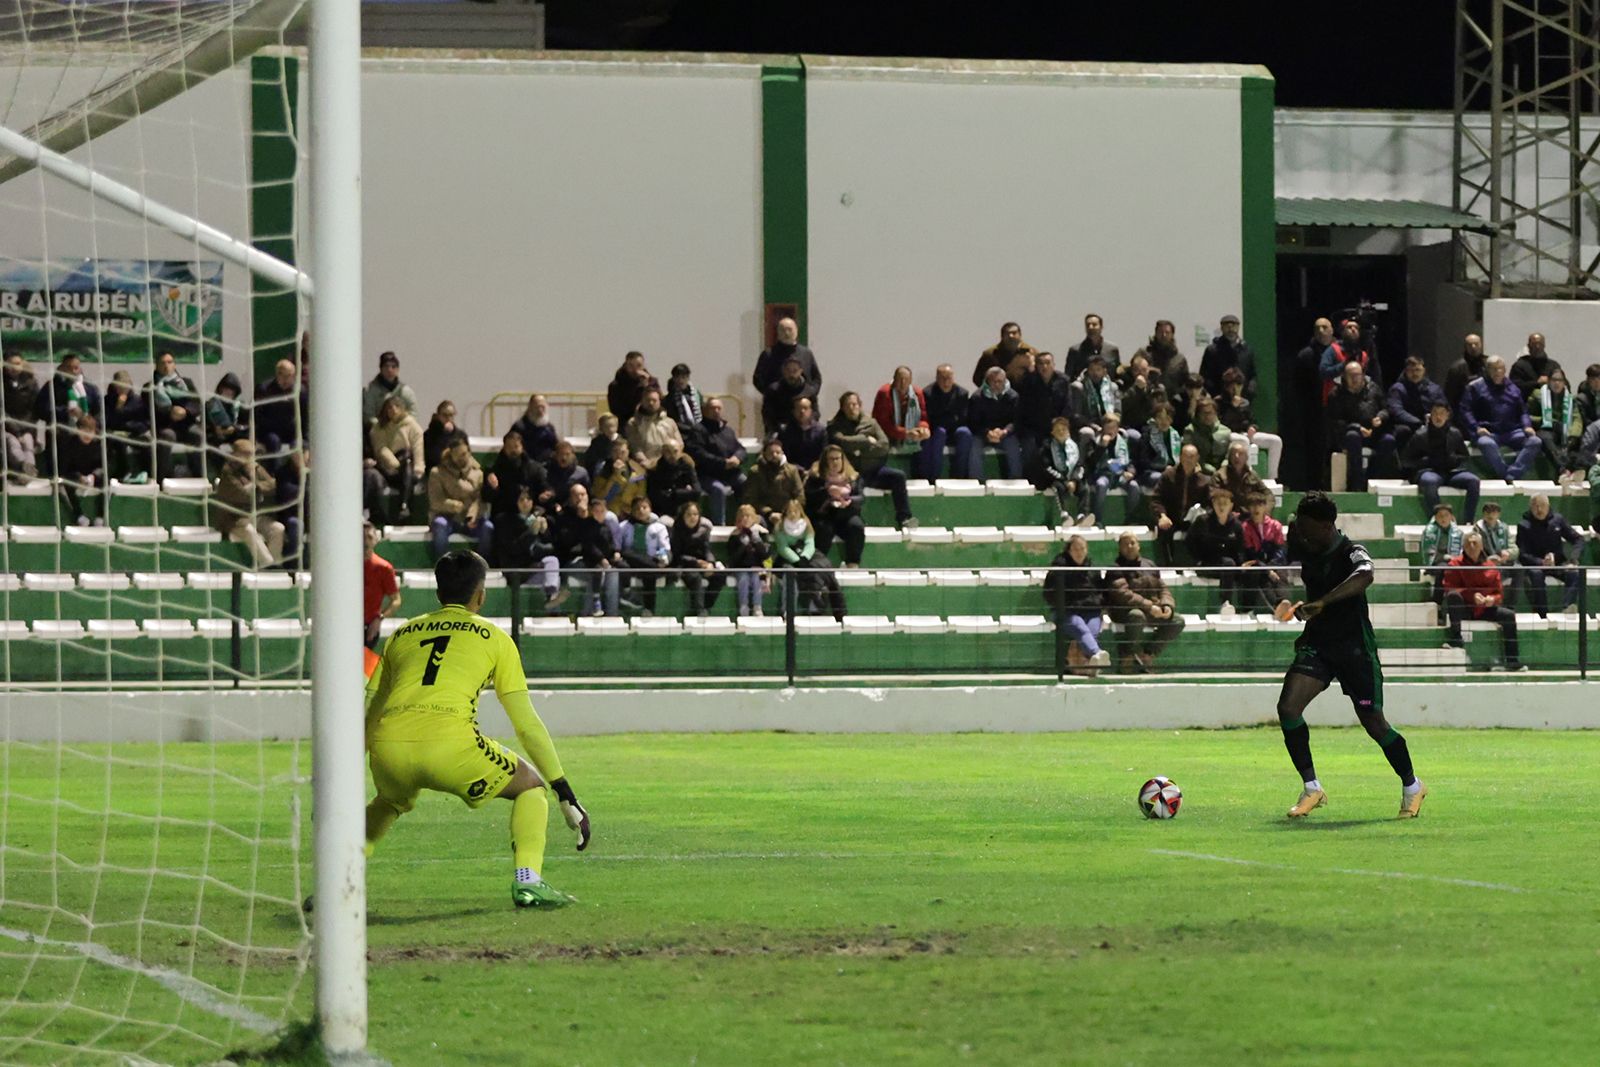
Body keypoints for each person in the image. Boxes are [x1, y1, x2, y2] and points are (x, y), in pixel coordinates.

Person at [362, 550, 589, 909]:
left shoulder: (402, 633)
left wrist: (336, 776)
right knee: (531, 787)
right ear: (480, 595)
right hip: (450, 746)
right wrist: (564, 789)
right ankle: (528, 882)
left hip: (388, 745)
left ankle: (335, 882)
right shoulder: (495, 638)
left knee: (388, 801)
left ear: (439, 594)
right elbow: (526, 724)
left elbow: (369, 708)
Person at [1274, 492, 1426, 819]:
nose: (1301, 532)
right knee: (1288, 707)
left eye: (1307, 526)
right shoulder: (1303, 542)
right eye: (1298, 525)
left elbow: (1365, 575)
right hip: (1319, 642)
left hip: (1354, 647)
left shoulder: (1350, 551)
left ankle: (1413, 786)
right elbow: (1281, 567)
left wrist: (1322, 603)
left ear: (1327, 526)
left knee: (1374, 724)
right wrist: (1286, 598)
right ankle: (1312, 788)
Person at [828, 391, 915, 529]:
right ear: (842, 408)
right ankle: (856, 521)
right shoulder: (835, 426)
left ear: (860, 405)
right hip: (853, 473)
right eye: (848, 405)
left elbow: (884, 446)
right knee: (854, 489)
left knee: (898, 476)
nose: (852, 408)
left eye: (854, 404)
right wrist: (866, 440)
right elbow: (841, 442)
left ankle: (904, 518)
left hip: (875, 471)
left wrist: (860, 449)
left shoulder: (871, 423)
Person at [1440, 530, 1524, 671]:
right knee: (1453, 597)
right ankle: (1456, 639)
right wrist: (1471, 596)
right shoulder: (1454, 564)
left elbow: (1499, 593)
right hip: (1464, 608)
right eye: (1468, 543)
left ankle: (1513, 661)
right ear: (1463, 546)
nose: (1472, 546)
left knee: (1508, 615)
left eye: (1475, 543)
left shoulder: (1491, 566)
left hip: (1484, 608)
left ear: (1481, 546)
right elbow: (1450, 587)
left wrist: (1493, 599)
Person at [1104, 530, 1184, 673]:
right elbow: (1123, 594)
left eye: (1132, 543)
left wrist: (1167, 606)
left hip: (1152, 609)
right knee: (1137, 615)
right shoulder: (1115, 568)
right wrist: (1149, 606)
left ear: (1138, 545)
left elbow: (1163, 587)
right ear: (1119, 548)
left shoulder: (1150, 564)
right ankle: (1128, 656)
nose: (1129, 546)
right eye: (1125, 544)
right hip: (1125, 611)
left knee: (1177, 621)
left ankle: (1147, 654)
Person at [1459, 355, 1542, 481]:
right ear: (1487, 370)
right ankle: (1505, 475)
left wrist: (1527, 426)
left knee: (1535, 441)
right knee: (1486, 443)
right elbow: (1465, 411)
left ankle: (1513, 473)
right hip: (1488, 432)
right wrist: (1476, 428)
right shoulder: (1475, 387)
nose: (1498, 372)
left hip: (1511, 431)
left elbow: (1523, 411)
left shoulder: (1512, 388)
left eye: (1501, 369)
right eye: (1494, 369)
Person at [212, 439, 289, 568]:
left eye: (252, 454)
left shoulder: (256, 468)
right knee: (249, 531)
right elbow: (244, 495)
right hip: (234, 519)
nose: (250, 458)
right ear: (235, 454)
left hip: (255, 516)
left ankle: (273, 567)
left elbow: (273, 485)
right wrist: (258, 488)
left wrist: (255, 484)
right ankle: (268, 564)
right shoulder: (228, 472)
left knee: (278, 529)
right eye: (246, 454)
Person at [1403, 399, 1479, 523]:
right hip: (1430, 471)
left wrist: (1455, 460)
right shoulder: (1420, 435)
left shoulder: (1455, 433)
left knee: (1473, 481)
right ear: (1430, 415)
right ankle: (1439, 521)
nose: (1438, 417)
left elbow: (1465, 458)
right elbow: (1406, 461)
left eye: (1442, 413)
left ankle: (1468, 521)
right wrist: (1425, 462)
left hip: (1451, 472)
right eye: (1435, 413)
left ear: (1447, 415)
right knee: (1429, 481)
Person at [1043, 535, 1111, 673]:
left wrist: (1099, 605)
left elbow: (1101, 592)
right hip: (1067, 612)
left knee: (1091, 632)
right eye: (1075, 549)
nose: (1079, 552)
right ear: (1069, 551)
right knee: (1080, 628)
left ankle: (1090, 666)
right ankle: (1096, 653)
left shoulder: (1092, 570)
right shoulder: (1059, 569)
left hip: (1091, 612)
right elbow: (1049, 593)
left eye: (1082, 548)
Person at [770, 497, 845, 620]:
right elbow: (783, 548)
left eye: (795, 511)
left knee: (816, 573)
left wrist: (805, 557)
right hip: (787, 560)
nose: (793, 514)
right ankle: (788, 611)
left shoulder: (806, 524)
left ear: (800, 512)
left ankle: (815, 608)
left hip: (807, 556)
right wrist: (797, 561)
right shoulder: (780, 527)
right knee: (791, 578)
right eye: (790, 512)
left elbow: (810, 542)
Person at [1325, 360, 1395, 492]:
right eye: (1350, 375)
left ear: (1363, 375)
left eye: (1357, 375)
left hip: (1373, 431)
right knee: (1352, 437)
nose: (1354, 378)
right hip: (1350, 433)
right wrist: (1356, 427)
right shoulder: (1336, 394)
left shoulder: (1374, 388)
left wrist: (1380, 417)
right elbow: (1335, 421)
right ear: (1344, 376)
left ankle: (1371, 478)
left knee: (1389, 441)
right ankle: (1357, 482)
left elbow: (1386, 409)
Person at [426, 431, 492, 560]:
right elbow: (436, 501)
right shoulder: (437, 472)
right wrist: (456, 506)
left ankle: (482, 565)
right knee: (440, 525)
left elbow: (479, 499)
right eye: (457, 455)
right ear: (451, 455)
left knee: (488, 527)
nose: (462, 458)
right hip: (447, 516)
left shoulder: (478, 473)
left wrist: (472, 515)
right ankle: (441, 564)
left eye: (464, 454)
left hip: (470, 519)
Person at [484, 429, 550, 556]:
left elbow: (546, 488)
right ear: (504, 448)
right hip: (505, 515)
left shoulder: (534, 468)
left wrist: (545, 496)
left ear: (522, 447)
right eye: (509, 447)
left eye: (516, 446)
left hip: (531, 513)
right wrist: (493, 487)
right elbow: (487, 496)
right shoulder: (495, 469)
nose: (513, 450)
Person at [1516, 494, 1583, 617]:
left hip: (1557, 563)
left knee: (1574, 572)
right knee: (1536, 575)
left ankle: (1567, 607)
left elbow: (1578, 539)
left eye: (1542, 506)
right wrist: (1541, 562)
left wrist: (1573, 559)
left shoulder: (1558, 520)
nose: (1539, 510)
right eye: (1535, 506)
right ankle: (1542, 614)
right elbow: (1523, 554)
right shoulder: (1523, 525)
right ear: (1530, 508)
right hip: (1536, 565)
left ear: (1548, 506)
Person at [754, 318, 821, 433]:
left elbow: (816, 378)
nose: (787, 333)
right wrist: (773, 393)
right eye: (783, 330)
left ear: (796, 331)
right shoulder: (768, 354)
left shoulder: (806, 353)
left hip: (803, 413)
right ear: (778, 333)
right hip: (778, 411)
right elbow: (758, 379)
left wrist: (809, 392)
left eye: (790, 329)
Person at [1292, 318, 1338, 489]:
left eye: (1325, 327)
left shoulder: (1341, 352)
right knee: (1314, 453)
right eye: (1317, 327)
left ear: (1332, 330)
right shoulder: (1305, 355)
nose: (1321, 330)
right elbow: (1298, 386)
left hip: (1339, 411)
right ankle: (1314, 488)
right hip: (1314, 413)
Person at [1215, 366, 1282, 481]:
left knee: (1275, 441)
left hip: (1245, 433)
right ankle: (1246, 477)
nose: (1236, 389)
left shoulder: (1245, 402)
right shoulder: (1219, 402)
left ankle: (1272, 478)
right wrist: (1233, 407)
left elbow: (1252, 421)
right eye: (1233, 386)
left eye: (1239, 385)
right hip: (1228, 434)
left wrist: (1252, 428)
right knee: (1243, 441)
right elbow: (1222, 423)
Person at [366, 395, 426, 522]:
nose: (393, 410)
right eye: (389, 408)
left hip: (407, 466)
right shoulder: (379, 427)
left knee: (408, 466)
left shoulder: (412, 426)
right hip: (387, 468)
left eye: (396, 407)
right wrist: (395, 464)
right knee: (403, 468)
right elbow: (381, 448)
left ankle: (403, 505)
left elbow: (418, 448)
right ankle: (403, 506)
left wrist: (419, 469)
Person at [686, 396, 745, 525]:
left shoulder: (727, 430)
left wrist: (737, 458)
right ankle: (720, 525)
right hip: (707, 474)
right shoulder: (698, 431)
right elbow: (699, 454)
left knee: (744, 482)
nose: (716, 411)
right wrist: (723, 463)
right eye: (713, 408)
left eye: (719, 408)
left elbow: (740, 448)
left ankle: (744, 519)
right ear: (705, 410)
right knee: (718, 489)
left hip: (729, 473)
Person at [804, 444, 865, 567]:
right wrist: (828, 493)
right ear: (825, 461)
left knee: (856, 526)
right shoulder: (816, 477)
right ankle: (819, 563)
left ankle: (853, 562)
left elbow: (861, 498)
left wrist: (849, 501)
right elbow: (810, 497)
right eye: (831, 459)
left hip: (846, 514)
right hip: (824, 515)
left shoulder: (853, 477)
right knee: (824, 530)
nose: (835, 462)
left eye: (838, 458)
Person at [1186, 486, 1246, 610]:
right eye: (1218, 503)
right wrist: (1197, 560)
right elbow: (1189, 542)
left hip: (1229, 568)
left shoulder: (1236, 525)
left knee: (1249, 571)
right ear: (1213, 504)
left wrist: (1241, 566)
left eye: (1225, 503)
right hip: (1207, 565)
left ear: (1231, 505)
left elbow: (1240, 549)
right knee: (1228, 563)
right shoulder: (1202, 521)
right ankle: (1226, 602)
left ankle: (1247, 609)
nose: (1221, 507)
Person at [873, 365, 936, 480]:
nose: (902, 383)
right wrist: (905, 433)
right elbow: (883, 424)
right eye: (899, 379)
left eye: (906, 380)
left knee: (927, 441)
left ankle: (922, 479)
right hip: (888, 433)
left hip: (910, 432)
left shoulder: (917, 393)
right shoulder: (885, 393)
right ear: (893, 380)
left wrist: (923, 429)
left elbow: (923, 417)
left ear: (911, 381)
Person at [1150, 443, 1210, 563]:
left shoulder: (1204, 481)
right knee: (1164, 529)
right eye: (1186, 456)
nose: (1188, 459)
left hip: (1193, 521)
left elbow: (1209, 504)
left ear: (1197, 458)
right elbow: (1156, 499)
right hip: (1171, 517)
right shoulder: (1168, 476)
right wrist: (1162, 515)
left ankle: (1200, 563)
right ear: (1180, 457)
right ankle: (1168, 565)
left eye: (1192, 456)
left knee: (1204, 528)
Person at [922, 363, 981, 481]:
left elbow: (963, 418)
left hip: (955, 430)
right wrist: (951, 418)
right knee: (940, 432)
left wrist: (946, 418)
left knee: (965, 433)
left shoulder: (962, 393)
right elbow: (931, 418)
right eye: (942, 378)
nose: (945, 381)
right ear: (936, 378)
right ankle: (933, 478)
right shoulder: (928, 393)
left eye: (948, 378)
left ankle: (959, 476)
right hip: (937, 430)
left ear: (953, 378)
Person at [147, 351, 202, 477]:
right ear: (156, 366)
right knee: (167, 436)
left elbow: (197, 404)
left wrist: (185, 411)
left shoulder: (186, 383)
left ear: (175, 365)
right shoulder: (150, 387)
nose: (166, 366)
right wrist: (170, 411)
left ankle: (198, 475)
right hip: (165, 425)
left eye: (169, 362)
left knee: (197, 434)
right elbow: (149, 409)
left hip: (186, 424)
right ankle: (164, 477)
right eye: (162, 363)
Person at [1083, 411, 1140, 527]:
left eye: (1114, 427)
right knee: (1101, 485)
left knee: (1134, 486)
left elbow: (1129, 461)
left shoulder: (1123, 441)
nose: (1111, 431)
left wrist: (1130, 471)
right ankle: (1097, 520)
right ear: (1103, 428)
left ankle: (1130, 519)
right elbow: (1091, 463)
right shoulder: (1096, 440)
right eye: (1108, 427)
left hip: (1120, 475)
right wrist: (1101, 447)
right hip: (1103, 474)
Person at [617, 496, 670, 615]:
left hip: (650, 562)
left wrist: (663, 559)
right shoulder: (623, 526)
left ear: (650, 509)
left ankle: (649, 610)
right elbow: (618, 547)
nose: (641, 510)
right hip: (631, 563)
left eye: (644, 507)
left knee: (649, 573)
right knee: (626, 553)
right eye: (637, 508)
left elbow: (664, 548)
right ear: (631, 511)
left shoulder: (659, 527)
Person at [671, 501, 725, 616]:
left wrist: (710, 563)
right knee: (696, 579)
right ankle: (699, 611)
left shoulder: (703, 530)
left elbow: (706, 550)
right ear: (683, 516)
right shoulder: (677, 531)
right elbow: (677, 554)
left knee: (720, 577)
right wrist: (697, 562)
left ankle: (706, 606)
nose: (692, 517)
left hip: (702, 564)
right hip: (685, 565)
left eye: (695, 514)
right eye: (689, 514)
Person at [968, 366, 1024, 479]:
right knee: (973, 446)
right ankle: (977, 481)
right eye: (994, 381)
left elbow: (1016, 420)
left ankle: (1016, 480)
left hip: (1005, 434)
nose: (997, 385)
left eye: (1000, 381)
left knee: (1013, 445)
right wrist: (987, 432)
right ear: (987, 381)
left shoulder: (1013, 397)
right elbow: (973, 422)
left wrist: (1005, 431)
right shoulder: (977, 397)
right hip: (982, 434)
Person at [1238, 492, 1290, 612]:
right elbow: (1251, 553)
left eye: (1259, 505)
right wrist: (1267, 570)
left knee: (1280, 574)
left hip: (1273, 562)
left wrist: (1271, 567)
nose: (1256, 508)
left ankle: (1284, 603)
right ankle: (1277, 607)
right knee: (1262, 576)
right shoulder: (1245, 527)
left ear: (1265, 507)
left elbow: (1280, 550)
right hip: (1256, 563)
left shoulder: (1275, 526)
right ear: (1248, 508)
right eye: (1253, 505)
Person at [1031, 416, 1087, 525]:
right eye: (1058, 430)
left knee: (1084, 488)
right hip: (1055, 479)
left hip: (1072, 479)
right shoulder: (1047, 447)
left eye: (1064, 429)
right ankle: (1064, 515)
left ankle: (1082, 515)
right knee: (1059, 487)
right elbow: (1046, 468)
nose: (1061, 432)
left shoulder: (1074, 446)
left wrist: (1074, 480)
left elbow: (1080, 465)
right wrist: (1064, 480)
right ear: (1052, 432)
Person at [51, 413, 103, 525]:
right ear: (78, 430)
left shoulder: (99, 445)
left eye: (91, 431)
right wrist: (79, 477)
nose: (87, 435)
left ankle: (100, 517)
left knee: (108, 483)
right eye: (84, 430)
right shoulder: (69, 444)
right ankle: (79, 515)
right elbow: (64, 468)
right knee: (64, 483)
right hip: (75, 476)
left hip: (92, 477)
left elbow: (104, 466)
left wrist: (93, 476)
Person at [1528, 367, 1582, 476]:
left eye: (1560, 380)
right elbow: (1527, 416)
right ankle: (1563, 470)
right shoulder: (1538, 395)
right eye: (1554, 380)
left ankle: (1577, 471)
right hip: (1545, 429)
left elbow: (1577, 419)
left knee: (1576, 443)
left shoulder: (1570, 398)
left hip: (1564, 430)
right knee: (1546, 439)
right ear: (1548, 381)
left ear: (1564, 382)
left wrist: (1573, 434)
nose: (1557, 383)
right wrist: (1544, 420)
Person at [743, 436, 805, 529]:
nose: (774, 455)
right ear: (764, 454)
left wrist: (789, 512)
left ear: (782, 453)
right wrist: (769, 513)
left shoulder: (792, 470)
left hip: (789, 514)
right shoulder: (755, 472)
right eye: (771, 453)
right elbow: (751, 499)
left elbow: (800, 496)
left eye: (777, 452)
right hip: (764, 516)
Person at [1385, 356, 1445, 453]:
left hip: (1431, 424)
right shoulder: (1397, 389)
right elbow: (1396, 411)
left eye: (1418, 370)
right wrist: (1418, 423)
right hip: (1407, 426)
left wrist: (1434, 418)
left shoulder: (1434, 389)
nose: (1415, 373)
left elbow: (1445, 408)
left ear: (1424, 370)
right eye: (1411, 370)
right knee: (1403, 431)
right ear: (1406, 371)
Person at [102, 370, 152, 481]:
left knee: (146, 443)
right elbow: (107, 421)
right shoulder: (108, 400)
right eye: (119, 386)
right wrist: (118, 407)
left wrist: (130, 426)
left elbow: (145, 422)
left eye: (125, 386)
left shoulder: (138, 401)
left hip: (133, 432)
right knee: (118, 442)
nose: (122, 389)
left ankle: (149, 472)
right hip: (115, 434)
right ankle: (123, 471)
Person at [1066, 354, 1121, 451]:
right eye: (1092, 370)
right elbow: (1076, 416)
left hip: (1109, 425)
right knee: (1087, 433)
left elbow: (1117, 411)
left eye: (1098, 370)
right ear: (1087, 370)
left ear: (1104, 371)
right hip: (1088, 425)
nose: (1095, 373)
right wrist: (1095, 427)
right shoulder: (1078, 387)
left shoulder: (1112, 387)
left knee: (1126, 434)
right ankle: (1081, 464)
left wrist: (1111, 426)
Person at [249, 357, 300, 463]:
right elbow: (256, 416)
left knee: (299, 444)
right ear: (277, 374)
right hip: (270, 432)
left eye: (289, 376)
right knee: (274, 441)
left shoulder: (300, 392)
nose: (286, 379)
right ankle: (274, 474)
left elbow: (305, 416)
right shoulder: (264, 390)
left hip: (291, 432)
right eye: (283, 375)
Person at [1016, 350, 1068, 453]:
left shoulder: (1063, 381)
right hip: (1034, 428)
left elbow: (1068, 406)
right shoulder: (1028, 381)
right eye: (1041, 363)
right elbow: (1023, 408)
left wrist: (1060, 423)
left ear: (1053, 365)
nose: (1044, 367)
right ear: (1036, 366)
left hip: (1057, 426)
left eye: (1048, 363)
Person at [1420, 503, 1464, 621]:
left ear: (1451, 517)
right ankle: (1437, 604)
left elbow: (1462, 550)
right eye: (1440, 516)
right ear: (1435, 517)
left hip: (1455, 562)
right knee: (1443, 569)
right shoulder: (1429, 531)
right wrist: (1445, 557)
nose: (1443, 518)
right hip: (1437, 562)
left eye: (1446, 515)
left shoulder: (1458, 532)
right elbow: (1429, 551)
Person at [362, 521, 402, 650]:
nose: (365, 542)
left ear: (376, 540)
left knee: (364, 668)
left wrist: (379, 619)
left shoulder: (383, 568)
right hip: (344, 626)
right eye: (361, 537)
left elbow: (396, 600)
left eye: (369, 537)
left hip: (369, 627)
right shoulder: (343, 565)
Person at [761, 355, 821, 438]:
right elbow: (767, 415)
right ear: (783, 371)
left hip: (805, 432)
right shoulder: (773, 390)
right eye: (788, 370)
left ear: (801, 371)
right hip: (780, 432)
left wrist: (807, 424)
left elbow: (815, 413)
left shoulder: (809, 391)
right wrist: (777, 429)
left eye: (795, 370)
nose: (791, 374)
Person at [1475, 501, 1521, 608]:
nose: (1491, 515)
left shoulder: (1504, 528)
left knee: (1519, 569)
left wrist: (1508, 553)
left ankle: (1510, 606)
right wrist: (1489, 559)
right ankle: (1495, 604)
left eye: (1494, 512)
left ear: (1498, 514)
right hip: (1486, 565)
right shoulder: (1477, 529)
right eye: (1488, 512)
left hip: (1504, 563)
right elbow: (1474, 552)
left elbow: (1515, 549)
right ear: (1483, 514)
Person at [727, 504, 770, 617]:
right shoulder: (734, 536)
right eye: (742, 516)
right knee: (744, 579)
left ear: (754, 518)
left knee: (757, 579)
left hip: (757, 567)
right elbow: (733, 558)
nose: (745, 519)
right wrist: (743, 546)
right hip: (740, 567)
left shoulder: (761, 534)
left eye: (748, 516)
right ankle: (744, 606)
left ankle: (757, 607)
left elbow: (765, 555)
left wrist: (756, 541)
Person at [1199, 313, 1256, 398]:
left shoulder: (1247, 350)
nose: (1230, 328)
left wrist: (1249, 391)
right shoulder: (1212, 350)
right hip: (1220, 399)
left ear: (1238, 327)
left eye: (1234, 325)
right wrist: (1215, 394)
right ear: (1221, 328)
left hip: (1242, 398)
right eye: (1227, 326)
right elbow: (1204, 375)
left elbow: (1252, 374)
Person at [624, 387, 683, 470]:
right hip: (647, 467)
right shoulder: (634, 423)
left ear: (659, 401)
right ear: (642, 401)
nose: (651, 403)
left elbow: (679, 444)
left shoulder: (670, 422)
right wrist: (649, 464)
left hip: (670, 465)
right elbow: (635, 448)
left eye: (654, 400)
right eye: (648, 400)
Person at [2, 353, 40, 479]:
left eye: (17, 364)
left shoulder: (31, 382)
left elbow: (34, 409)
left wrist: (25, 430)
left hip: (26, 426)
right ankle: (24, 467)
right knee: (13, 443)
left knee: (28, 443)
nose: (14, 367)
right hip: (6, 426)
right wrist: (16, 431)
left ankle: (27, 472)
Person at [645, 438, 700, 519]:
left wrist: (674, 493)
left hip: (685, 511)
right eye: (668, 452)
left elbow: (697, 491)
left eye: (675, 451)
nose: (672, 455)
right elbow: (656, 496)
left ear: (680, 451)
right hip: (663, 512)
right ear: (663, 453)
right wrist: (685, 492)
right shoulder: (655, 470)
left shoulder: (687, 466)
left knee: (707, 524)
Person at [361, 351, 417, 431]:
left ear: (398, 369)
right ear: (381, 369)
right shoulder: (371, 391)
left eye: (393, 367)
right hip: (379, 432)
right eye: (386, 366)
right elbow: (368, 416)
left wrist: (401, 426)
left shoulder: (405, 391)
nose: (389, 370)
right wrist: (384, 428)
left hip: (402, 432)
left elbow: (413, 414)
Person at [591, 437, 647, 517]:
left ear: (628, 452)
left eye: (623, 452)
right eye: (616, 452)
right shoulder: (602, 469)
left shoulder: (638, 470)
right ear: (611, 453)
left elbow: (641, 496)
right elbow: (599, 496)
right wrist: (614, 477)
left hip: (631, 511)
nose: (619, 456)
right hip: (608, 510)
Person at [1318, 319, 1371, 404]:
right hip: (1335, 403)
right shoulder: (1333, 350)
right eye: (1349, 327)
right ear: (1342, 332)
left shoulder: (1363, 355)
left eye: (1356, 328)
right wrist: (1344, 366)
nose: (1353, 329)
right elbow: (1323, 372)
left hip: (1357, 404)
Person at [972, 321, 1037, 388]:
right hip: (1000, 396)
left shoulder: (1031, 353)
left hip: (1024, 396)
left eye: (1014, 333)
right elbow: (977, 378)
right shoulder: (991, 354)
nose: (1011, 336)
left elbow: (1041, 379)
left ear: (1020, 335)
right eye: (1007, 333)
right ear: (1002, 336)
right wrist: (991, 392)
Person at [1135, 402, 1182, 493]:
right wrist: (1164, 469)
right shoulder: (1147, 434)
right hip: (1150, 472)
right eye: (1160, 418)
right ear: (1155, 419)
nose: (1164, 422)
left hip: (1171, 471)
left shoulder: (1175, 435)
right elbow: (1143, 462)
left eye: (1167, 418)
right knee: (1162, 478)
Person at [1134, 320, 1189, 394]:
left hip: (1170, 402)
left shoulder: (1179, 359)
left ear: (1172, 335)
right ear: (1156, 333)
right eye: (1160, 332)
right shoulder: (1143, 354)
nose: (1164, 335)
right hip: (1146, 400)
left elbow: (1185, 384)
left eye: (1167, 332)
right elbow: (1131, 373)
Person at [1182, 397, 1232, 477]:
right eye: (1204, 413)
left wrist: (1224, 467)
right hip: (1199, 472)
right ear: (1198, 414)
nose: (1207, 416)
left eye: (1210, 413)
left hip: (1222, 472)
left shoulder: (1226, 431)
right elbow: (1188, 456)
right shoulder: (1190, 431)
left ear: (1215, 413)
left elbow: (1228, 455)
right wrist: (1208, 469)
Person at [205, 372, 248, 463]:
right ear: (220, 389)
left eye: (232, 389)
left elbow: (247, 425)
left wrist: (234, 428)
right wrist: (217, 429)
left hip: (235, 436)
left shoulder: (239, 406)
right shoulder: (211, 404)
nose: (229, 392)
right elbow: (205, 423)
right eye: (226, 388)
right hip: (215, 438)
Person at [1117, 353, 1163, 437]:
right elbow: (1122, 405)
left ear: (1149, 369)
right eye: (1136, 370)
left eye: (1144, 370)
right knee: (1135, 436)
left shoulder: (1156, 385)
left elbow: (1158, 407)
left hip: (1149, 424)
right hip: (1129, 424)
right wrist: (1136, 389)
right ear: (1132, 370)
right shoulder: (1123, 383)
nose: (1140, 373)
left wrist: (1146, 391)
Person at [606, 350, 657, 425]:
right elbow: (617, 410)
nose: (635, 369)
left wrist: (647, 388)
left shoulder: (652, 382)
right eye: (631, 366)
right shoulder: (615, 386)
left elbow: (659, 404)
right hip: (626, 424)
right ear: (625, 365)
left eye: (639, 365)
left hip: (650, 423)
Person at [1065, 313, 1120, 381]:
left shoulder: (1112, 350)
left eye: (1094, 325)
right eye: (1088, 325)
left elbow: (1117, 373)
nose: (1090, 327)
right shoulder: (1075, 350)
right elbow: (1068, 376)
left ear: (1101, 327)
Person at [778, 395, 826, 472]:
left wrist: (815, 468)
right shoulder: (786, 431)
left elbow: (824, 454)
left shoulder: (821, 431)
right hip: (791, 472)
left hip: (816, 472)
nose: (802, 411)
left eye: (805, 408)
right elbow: (783, 454)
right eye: (798, 408)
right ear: (793, 411)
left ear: (811, 411)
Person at [1443, 332, 1486, 416]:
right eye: (1470, 344)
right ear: (1465, 347)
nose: (1473, 347)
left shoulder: (1487, 365)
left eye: (1476, 344)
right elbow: (1449, 396)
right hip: (1464, 413)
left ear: (1481, 345)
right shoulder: (1457, 368)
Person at [509, 394, 559, 465]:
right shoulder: (519, 427)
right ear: (530, 407)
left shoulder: (549, 428)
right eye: (537, 407)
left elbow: (556, 447)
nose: (540, 410)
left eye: (543, 407)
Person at [1218, 439, 1267, 506]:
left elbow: (1267, 493)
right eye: (1233, 454)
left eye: (1240, 454)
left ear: (1246, 457)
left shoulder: (1252, 475)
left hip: (1249, 513)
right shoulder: (1220, 475)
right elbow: (1213, 495)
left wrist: (1265, 509)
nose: (1236, 456)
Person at [544, 439, 590, 508]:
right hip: (550, 508)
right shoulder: (546, 471)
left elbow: (588, 494)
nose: (564, 458)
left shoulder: (581, 473)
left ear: (573, 455)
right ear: (555, 455)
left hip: (574, 510)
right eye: (561, 454)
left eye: (567, 454)